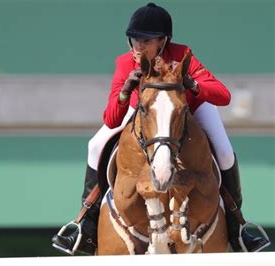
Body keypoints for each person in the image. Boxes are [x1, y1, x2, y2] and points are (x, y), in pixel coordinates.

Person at [52, 2, 270, 255]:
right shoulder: (125, 63)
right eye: (134, 39)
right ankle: (85, 225)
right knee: (95, 145)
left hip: (188, 108)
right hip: (145, 112)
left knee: (224, 152)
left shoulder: (182, 55)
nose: (138, 46)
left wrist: (193, 84)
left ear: (163, 40)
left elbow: (223, 95)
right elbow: (112, 119)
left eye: (146, 40)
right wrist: (125, 92)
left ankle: (237, 225)